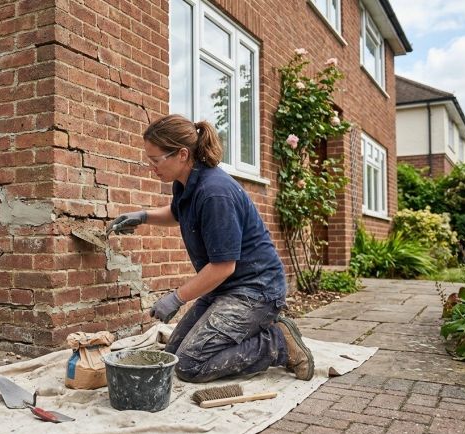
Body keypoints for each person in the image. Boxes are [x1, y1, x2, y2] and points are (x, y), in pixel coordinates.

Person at [107, 114, 314, 382]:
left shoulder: (215, 193)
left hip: (256, 291)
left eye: (156, 159)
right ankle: (250, 333)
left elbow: (223, 267)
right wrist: (144, 216)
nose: (151, 167)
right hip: (224, 290)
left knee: (190, 366)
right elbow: (176, 212)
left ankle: (278, 343)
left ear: (182, 154)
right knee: (174, 357)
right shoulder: (186, 184)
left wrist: (176, 298)